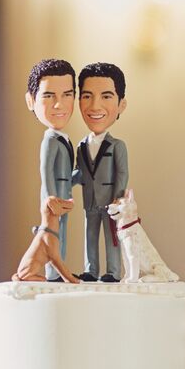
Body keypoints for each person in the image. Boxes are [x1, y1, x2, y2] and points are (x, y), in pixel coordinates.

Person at [73, 62, 128, 282]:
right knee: (90, 235)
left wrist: (119, 197)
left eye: (106, 96)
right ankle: (91, 269)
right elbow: (80, 172)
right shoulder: (81, 146)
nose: (95, 105)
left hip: (110, 201)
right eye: (87, 96)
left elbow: (122, 174)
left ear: (121, 104)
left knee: (111, 237)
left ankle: (113, 271)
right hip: (90, 200)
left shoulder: (117, 146)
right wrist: (63, 182)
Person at [25, 58, 76, 281]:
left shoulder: (62, 138)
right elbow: (46, 172)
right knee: (53, 236)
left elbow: (64, 173)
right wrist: (51, 198)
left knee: (62, 235)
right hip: (53, 200)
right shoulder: (49, 141)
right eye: (49, 96)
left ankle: (56, 271)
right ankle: (52, 273)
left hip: (63, 196)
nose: (59, 104)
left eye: (67, 94)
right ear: (31, 101)